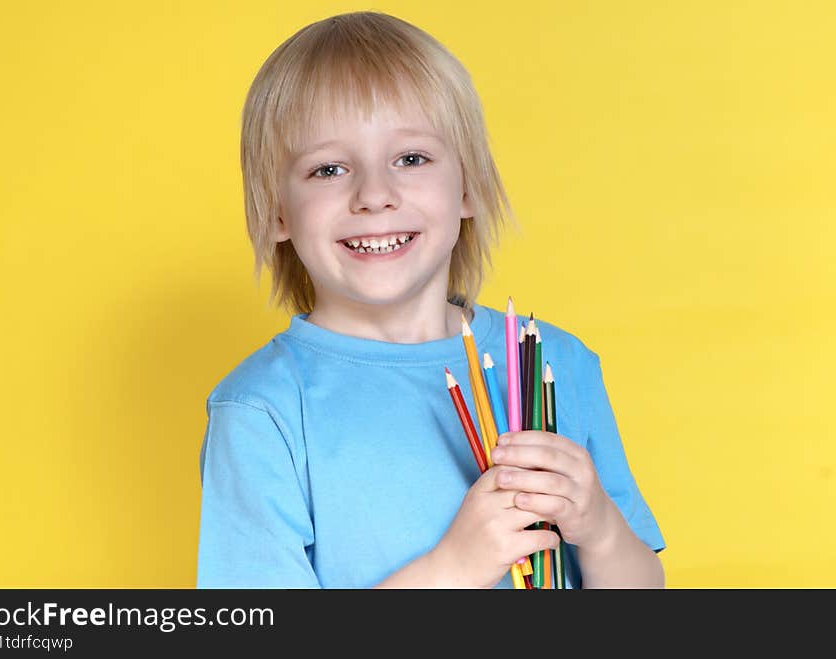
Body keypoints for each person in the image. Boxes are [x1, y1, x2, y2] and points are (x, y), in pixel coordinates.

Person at [196, 10, 665, 589]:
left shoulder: (557, 362)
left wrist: (599, 527)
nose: (374, 195)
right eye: (328, 169)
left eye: (411, 159)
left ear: (468, 186)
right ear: (276, 212)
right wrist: (456, 567)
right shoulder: (261, 411)